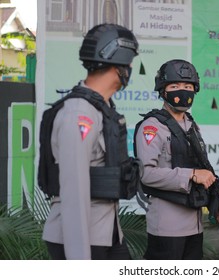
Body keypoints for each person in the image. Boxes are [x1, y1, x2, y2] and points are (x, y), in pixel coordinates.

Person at [40, 23, 140, 260]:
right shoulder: (79, 114)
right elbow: (74, 191)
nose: (132, 68)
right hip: (80, 238)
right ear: (120, 63)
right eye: (130, 62)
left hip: (107, 233)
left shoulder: (101, 108)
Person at [134, 59, 217, 259]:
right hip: (167, 227)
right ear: (163, 91)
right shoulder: (152, 127)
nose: (182, 91)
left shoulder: (191, 125)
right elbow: (146, 174)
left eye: (188, 86)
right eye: (175, 86)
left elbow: (203, 167)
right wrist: (191, 174)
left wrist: (218, 207)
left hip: (195, 224)